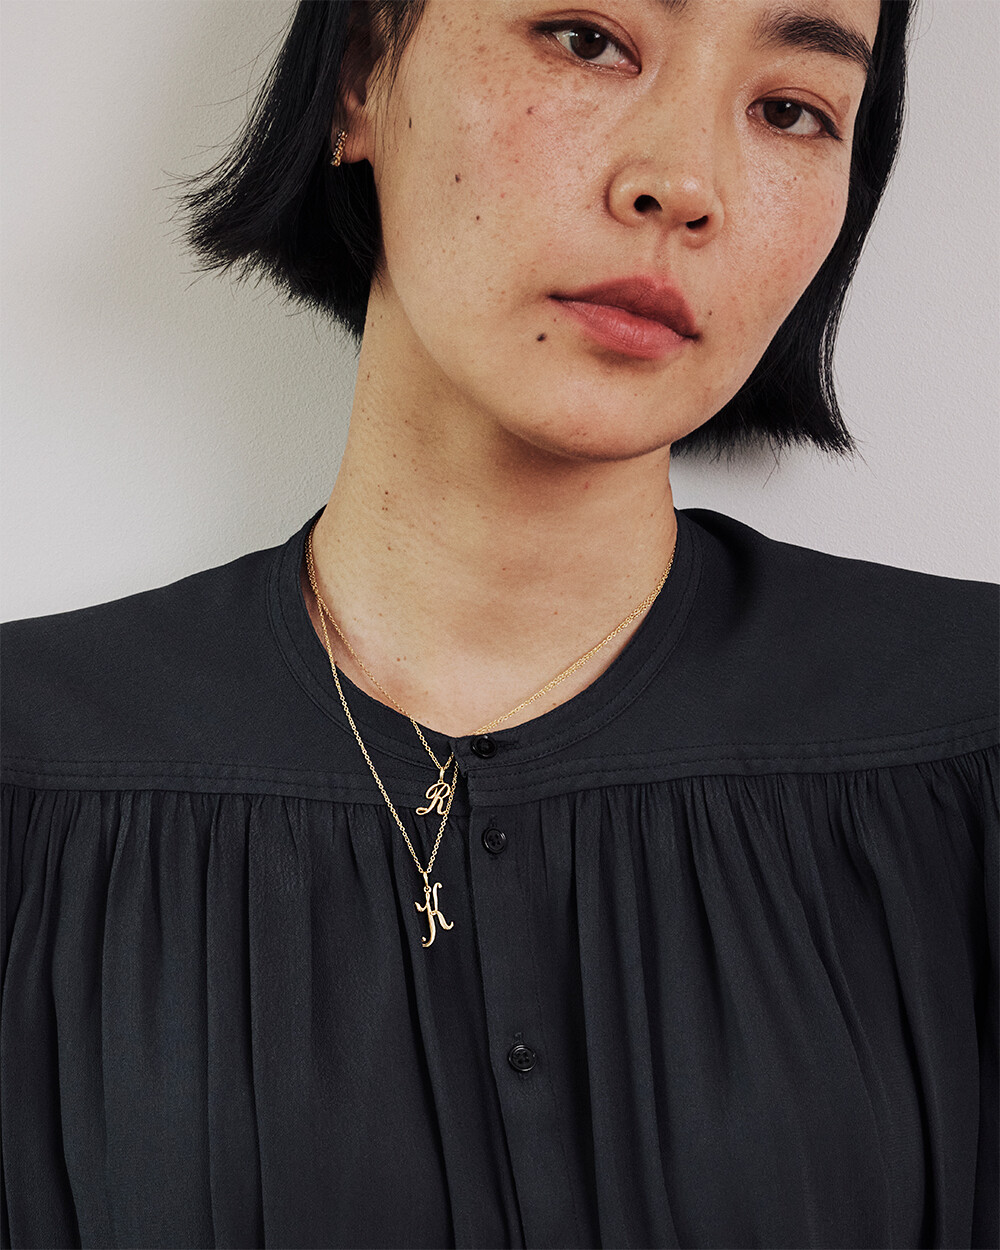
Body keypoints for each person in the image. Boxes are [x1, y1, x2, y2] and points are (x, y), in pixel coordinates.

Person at [1, 1, 996, 1247]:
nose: (683, 185)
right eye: (586, 39)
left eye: (791, 109)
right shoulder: (30, 772)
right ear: (362, 73)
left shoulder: (971, 733)